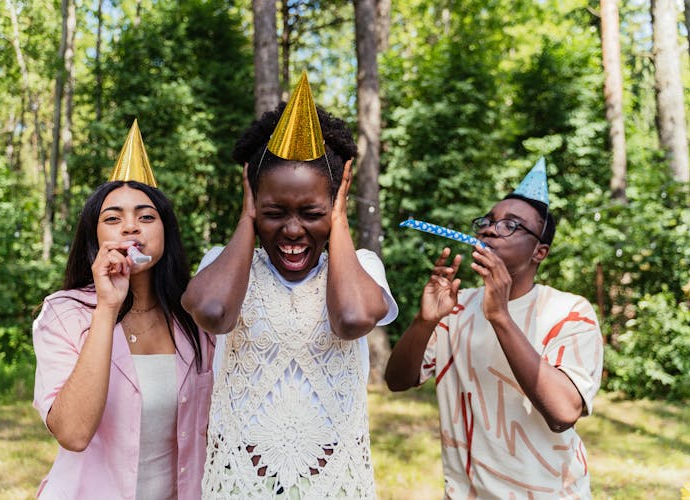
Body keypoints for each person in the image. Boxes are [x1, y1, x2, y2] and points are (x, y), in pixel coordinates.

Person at [182, 72, 398, 498]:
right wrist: (247, 220)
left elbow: (352, 319)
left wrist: (337, 220)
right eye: (274, 211)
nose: (294, 229)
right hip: (242, 482)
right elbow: (213, 313)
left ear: (336, 202)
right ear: (252, 203)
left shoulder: (362, 266)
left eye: (312, 212)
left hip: (333, 483)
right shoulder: (224, 264)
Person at [385, 158, 603, 498]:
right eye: (488, 221)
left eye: (511, 226)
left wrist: (500, 315)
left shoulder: (570, 312)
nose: (489, 229)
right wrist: (425, 321)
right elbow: (397, 381)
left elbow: (563, 413)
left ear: (539, 252)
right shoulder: (456, 306)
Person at [32, 120, 214, 499]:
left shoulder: (198, 321)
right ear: (94, 237)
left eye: (146, 217)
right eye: (113, 218)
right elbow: (74, 433)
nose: (131, 227)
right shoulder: (64, 313)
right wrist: (107, 307)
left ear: (166, 232)